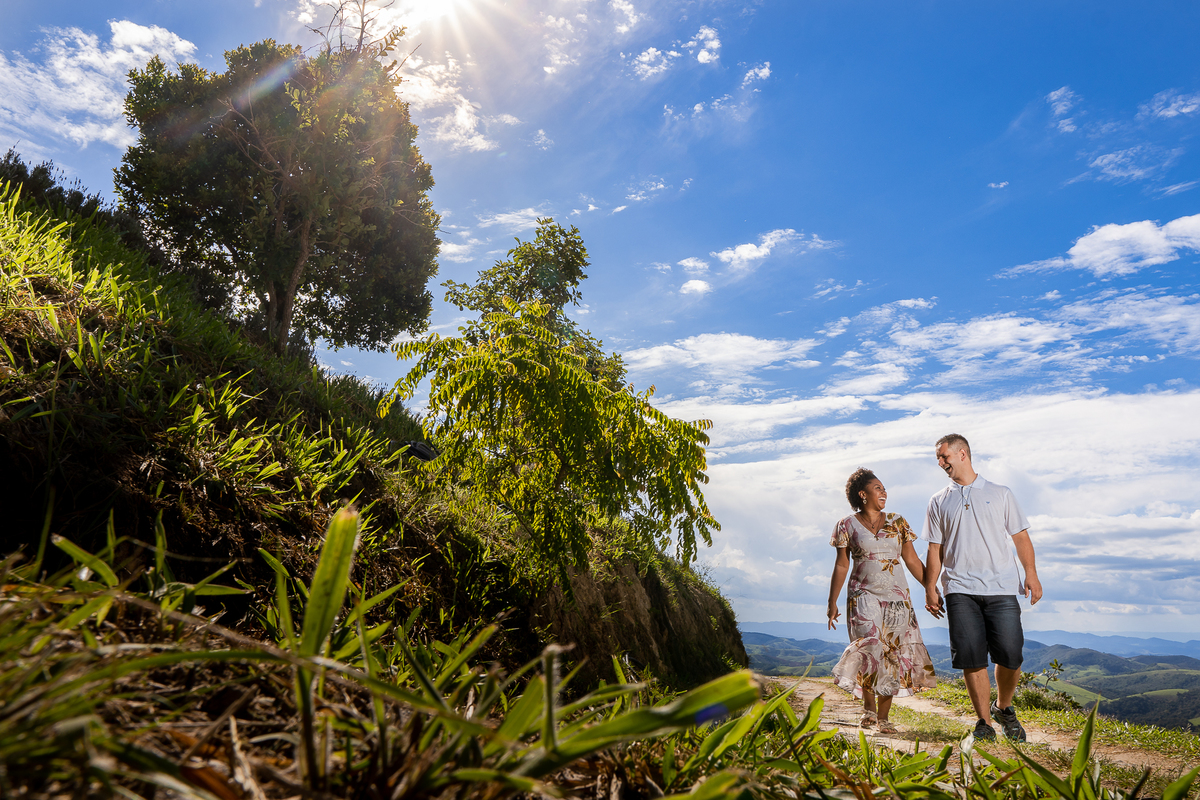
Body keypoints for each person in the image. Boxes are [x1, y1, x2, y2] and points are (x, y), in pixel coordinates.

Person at [921, 433, 1043, 742]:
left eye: (944, 456)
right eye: (938, 458)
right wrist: (930, 587)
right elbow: (934, 550)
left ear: (962, 454)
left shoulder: (1000, 493)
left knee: (1011, 654)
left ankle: (1003, 707)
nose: (940, 462)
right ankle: (984, 722)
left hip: (1001, 587)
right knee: (972, 657)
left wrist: (1031, 574)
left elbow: (1021, 538)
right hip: (959, 588)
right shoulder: (938, 500)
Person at [827, 468, 938, 734]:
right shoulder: (846, 525)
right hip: (862, 595)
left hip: (897, 597)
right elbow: (842, 565)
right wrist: (832, 602)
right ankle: (868, 711)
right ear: (863, 494)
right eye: (878, 488)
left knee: (891, 653)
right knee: (870, 649)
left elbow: (911, 560)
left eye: (884, 488)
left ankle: (883, 718)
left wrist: (930, 588)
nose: (884, 492)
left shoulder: (897, 521)